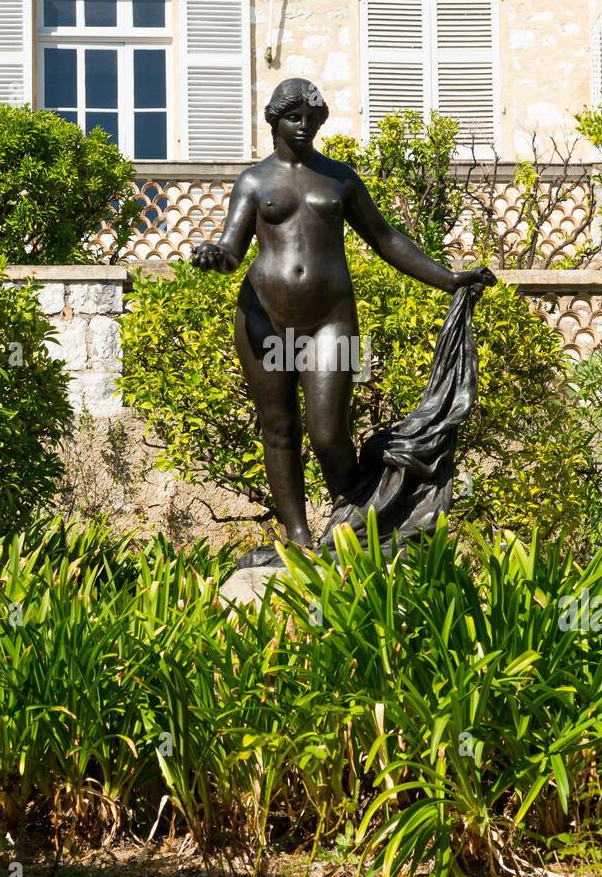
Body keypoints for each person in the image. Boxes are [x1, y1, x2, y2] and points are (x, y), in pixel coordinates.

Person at [192, 77, 496, 547]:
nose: (304, 126)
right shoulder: (254, 182)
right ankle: (298, 536)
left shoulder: (339, 178)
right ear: (274, 120)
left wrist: (449, 278)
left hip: (329, 321)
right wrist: (216, 256)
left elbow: (387, 238)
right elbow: (232, 249)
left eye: (313, 118)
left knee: (330, 430)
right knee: (279, 429)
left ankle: (353, 527)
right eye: (295, 117)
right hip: (264, 319)